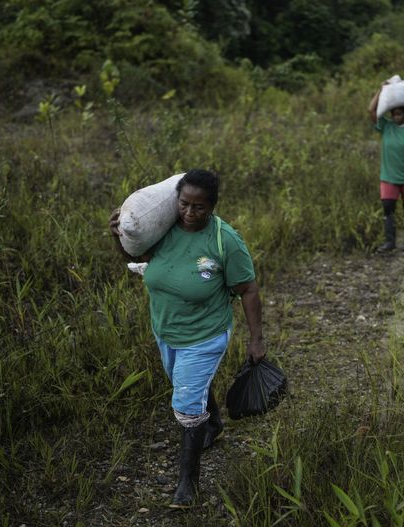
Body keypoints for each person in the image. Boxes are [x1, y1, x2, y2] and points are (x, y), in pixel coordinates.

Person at [109, 169, 265, 509]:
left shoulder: (225, 240)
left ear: (212, 207)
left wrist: (257, 340)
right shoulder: (164, 230)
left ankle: (187, 482)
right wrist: (118, 238)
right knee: (185, 383)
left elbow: (248, 290)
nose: (190, 214)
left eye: (199, 208)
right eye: (184, 204)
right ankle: (215, 422)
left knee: (185, 404)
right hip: (166, 330)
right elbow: (139, 258)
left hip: (205, 334)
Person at [368, 83, 404, 253]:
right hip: (388, 177)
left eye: (399, 114)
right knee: (388, 208)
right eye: (393, 114)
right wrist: (380, 90)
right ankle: (390, 242)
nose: (396, 117)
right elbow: (371, 111)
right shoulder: (386, 127)